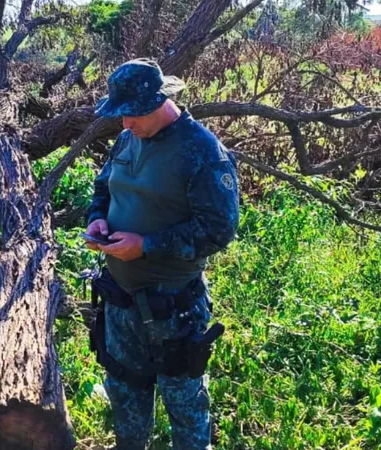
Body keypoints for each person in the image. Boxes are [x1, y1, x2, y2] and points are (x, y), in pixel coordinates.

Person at [84, 58, 240, 450]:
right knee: (125, 393)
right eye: (120, 115)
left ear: (159, 102)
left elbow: (219, 230)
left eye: (132, 114)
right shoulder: (127, 139)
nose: (124, 124)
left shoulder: (201, 151)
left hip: (172, 309)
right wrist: (97, 219)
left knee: (184, 405)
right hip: (120, 303)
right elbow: (103, 188)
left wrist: (147, 245)